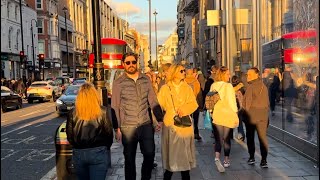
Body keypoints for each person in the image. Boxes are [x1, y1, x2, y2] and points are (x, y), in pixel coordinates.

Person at [111, 52, 164, 180]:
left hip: (145, 124)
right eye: (128, 62)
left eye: (133, 62)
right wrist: (116, 128)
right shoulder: (118, 82)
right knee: (129, 159)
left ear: (136, 63)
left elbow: (153, 100)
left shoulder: (145, 79)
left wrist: (160, 119)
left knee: (150, 154)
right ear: (123, 64)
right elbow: (115, 106)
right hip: (127, 127)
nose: (131, 65)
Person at [157, 64, 198, 180]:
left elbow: (194, 104)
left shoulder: (188, 88)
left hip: (184, 125)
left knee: (184, 161)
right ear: (174, 72)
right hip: (170, 124)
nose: (184, 73)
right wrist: (157, 121)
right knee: (171, 161)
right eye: (181, 71)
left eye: (184, 71)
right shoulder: (165, 88)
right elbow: (157, 105)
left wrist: (184, 109)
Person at [66, 83, 113, 180]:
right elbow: (109, 134)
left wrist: (76, 146)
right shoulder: (103, 111)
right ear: (94, 95)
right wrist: (105, 148)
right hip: (98, 152)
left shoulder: (73, 113)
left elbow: (70, 136)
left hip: (79, 153)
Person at [210, 66, 237, 173]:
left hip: (217, 114)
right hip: (227, 114)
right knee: (226, 139)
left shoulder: (213, 85)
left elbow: (210, 102)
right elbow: (232, 102)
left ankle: (217, 158)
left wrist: (211, 112)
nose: (229, 76)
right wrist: (235, 114)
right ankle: (226, 160)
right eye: (227, 74)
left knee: (218, 139)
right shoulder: (228, 86)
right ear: (222, 75)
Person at [242, 67, 269, 168]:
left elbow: (247, 104)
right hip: (263, 114)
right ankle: (264, 160)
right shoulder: (264, 86)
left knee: (250, 137)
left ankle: (252, 157)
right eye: (247, 74)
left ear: (257, 75)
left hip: (252, 115)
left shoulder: (251, 87)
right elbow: (267, 103)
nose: (247, 76)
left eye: (249, 74)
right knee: (262, 138)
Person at [185, 67, 203, 140]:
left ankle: (187, 134)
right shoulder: (196, 82)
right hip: (195, 103)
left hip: (186, 103)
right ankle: (196, 133)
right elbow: (199, 94)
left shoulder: (183, 81)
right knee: (195, 119)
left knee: (187, 119)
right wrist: (201, 105)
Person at [203, 65, 218, 138]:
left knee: (213, 118)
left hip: (211, 102)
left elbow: (205, 92)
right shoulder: (220, 81)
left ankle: (214, 132)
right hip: (219, 102)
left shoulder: (209, 81)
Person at [231, 75, 246, 141]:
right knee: (240, 122)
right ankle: (241, 134)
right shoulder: (242, 88)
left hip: (234, 107)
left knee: (232, 122)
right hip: (241, 107)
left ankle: (231, 134)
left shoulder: (231, 88)